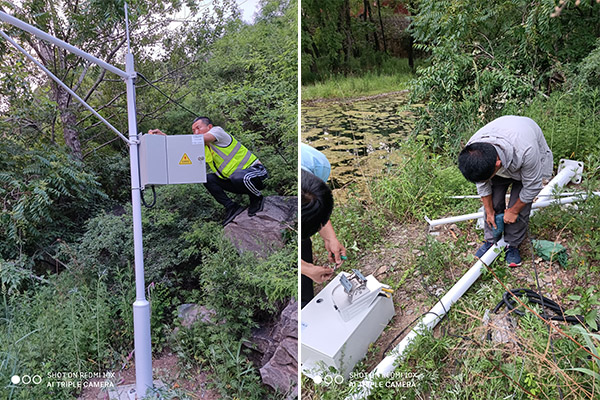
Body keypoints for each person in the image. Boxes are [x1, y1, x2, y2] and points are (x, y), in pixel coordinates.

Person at [457, 115, 553, 267]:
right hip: (501, 149)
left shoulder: (526, 150)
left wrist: (514, 210)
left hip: (522, 160)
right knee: (493, 203)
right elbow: (482, 184)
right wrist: (489, 211)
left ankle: (512, 245)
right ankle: (491, 241)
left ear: (497, 164)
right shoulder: (474, 150)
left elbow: (532, 186)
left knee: (519, 205)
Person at [149, 117, 268, 226]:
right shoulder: (203, 146)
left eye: (198, 128)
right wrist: (164, 137)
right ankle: (232, 207)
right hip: (234, 180)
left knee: (238, 177)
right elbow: (182, 145)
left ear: (209, 127)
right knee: (208, 179)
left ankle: (256, 198)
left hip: (255, 173)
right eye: (193, 130)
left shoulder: (218, 131)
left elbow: (195, 140)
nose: (195, 132)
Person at [301, 144, 346, 308]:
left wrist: (330, 238)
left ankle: (306, 301)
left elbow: (315, 203)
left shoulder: (318, 163)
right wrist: (306, 268)